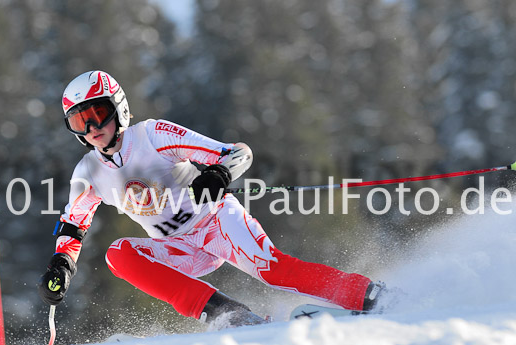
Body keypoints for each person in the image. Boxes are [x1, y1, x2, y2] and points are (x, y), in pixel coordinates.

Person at [38, 70, 386, 328]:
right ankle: (228, 314)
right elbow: (73, 225)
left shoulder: (153, 135)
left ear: (118, 108)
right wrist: (62, 264)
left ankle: (367, 294)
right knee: (119, 255)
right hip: (180, 249)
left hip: (216, 222)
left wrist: (218, 175)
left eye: (97, 114)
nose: (92, 128)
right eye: (79, 122)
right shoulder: (88, 173)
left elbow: (237, 153)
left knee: (274, 271)